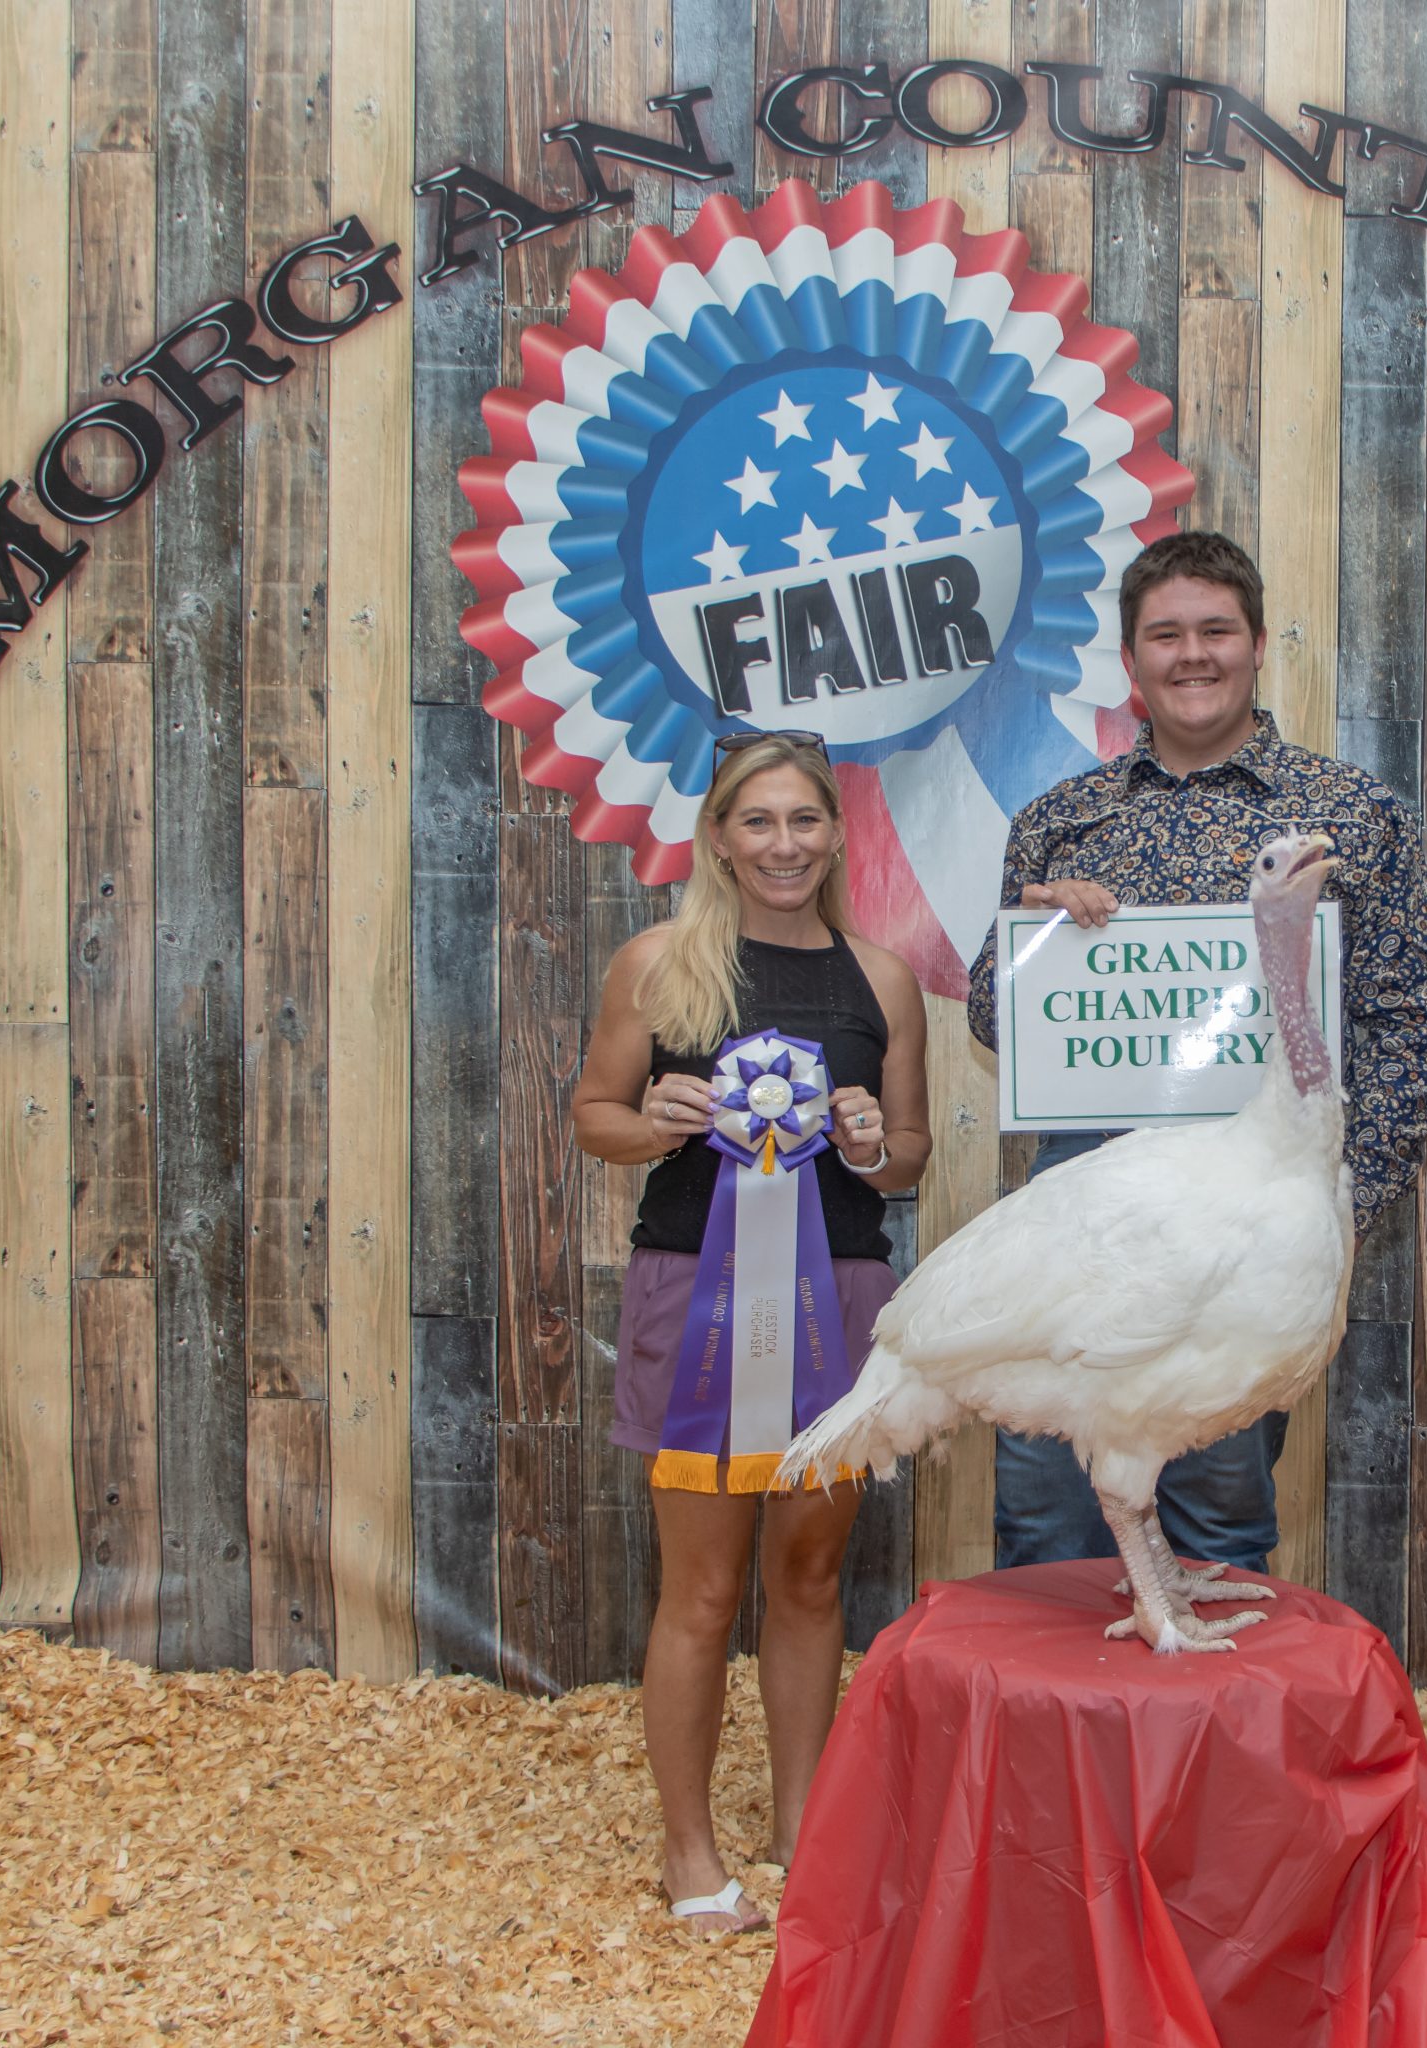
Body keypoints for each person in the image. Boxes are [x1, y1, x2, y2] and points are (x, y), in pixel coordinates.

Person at [965, 529, 1427, 1573]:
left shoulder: (1348, 816)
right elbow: (990, 1016)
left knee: (1220, 1532)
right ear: (1130, 659)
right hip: (1087, 1246)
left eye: (1217, 630)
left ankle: (1207, 1682)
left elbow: (1411, 1023)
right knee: (1048, 1531)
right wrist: (1034, 945)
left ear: (1258, 643)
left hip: (1245, 1245)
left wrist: (1326, 1206)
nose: (1193, 654)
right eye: (1166, 635)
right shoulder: (1062, 821)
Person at [572, 732, 933, 1934]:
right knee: (702, 1586)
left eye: (804, 820)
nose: (785, 844)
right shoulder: (658, 964)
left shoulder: (881, 980)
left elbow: (909, 1153)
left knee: (810, 1576)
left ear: (835, 832)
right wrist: (655, 1120)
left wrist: (875, 1140)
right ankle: (689, 1852)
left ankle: (802, 1829)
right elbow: (593, 1114)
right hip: (696, 1299)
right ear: (719, 837)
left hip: (843, 1302)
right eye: (759, 821)